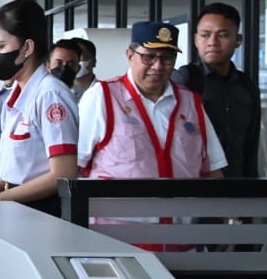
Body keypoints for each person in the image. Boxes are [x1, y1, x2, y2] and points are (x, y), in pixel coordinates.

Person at [0, 0, 78, 216]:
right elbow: (23, 172)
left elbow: (63, 173)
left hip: (42, 212)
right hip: (17, 207)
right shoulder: (17, 96)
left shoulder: (50, 95)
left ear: (27, 47)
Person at [78, 20, 227, 181]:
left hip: (182, 205)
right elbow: (75, 165)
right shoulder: (102, 96)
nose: (158, 66)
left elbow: (213, 170)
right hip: (119, 206)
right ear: (130, 55)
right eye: (148, 57)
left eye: (167, 58)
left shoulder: (191, 102)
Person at [171, 3, 261, 177]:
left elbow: (251, 144)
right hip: (196, 187)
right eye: (205, 35)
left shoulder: (246, 86)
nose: (212, 42)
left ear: (238, 40)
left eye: (223, 35)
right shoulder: (185, 79)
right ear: (196, 40)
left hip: (237, 184)